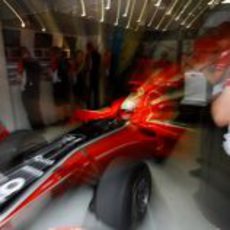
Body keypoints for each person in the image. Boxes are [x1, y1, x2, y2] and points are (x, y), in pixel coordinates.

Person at [18, 47, 43, 129]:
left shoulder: (23, 63)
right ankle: (41, 130)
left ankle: (36, 130)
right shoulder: (36, 63)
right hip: (35, 90)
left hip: (27, 91)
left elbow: (20, 78)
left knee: (31, 113)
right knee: (37, 112)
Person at [49, 47, 70, 121]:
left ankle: (63, 119)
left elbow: (62, 73)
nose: (50, 55)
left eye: (51, 53)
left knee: (61, 103)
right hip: (61, 85)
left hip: (61, 85)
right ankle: (64, 119)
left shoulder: (60, 61)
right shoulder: (61, 61)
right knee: (63, 103)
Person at [85, 42, 101, 109]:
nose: (88, 49)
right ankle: (88, 106)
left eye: (89, 48)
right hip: (89, 76)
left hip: (95, 76)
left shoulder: (96, 55)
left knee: (95, 92)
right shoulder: (87, 55)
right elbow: (87, 66)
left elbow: (98, 64)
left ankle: (96, 107)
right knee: (89, 92)